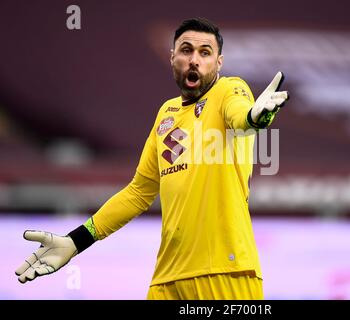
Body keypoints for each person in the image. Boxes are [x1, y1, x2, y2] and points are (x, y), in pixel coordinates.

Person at [15, 17, 289, 300]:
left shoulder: (229, 90)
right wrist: (76, 241)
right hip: (167, 279)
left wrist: (256, 117)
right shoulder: (166, 115)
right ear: (172, 58)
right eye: (186, 50)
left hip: (225, 274)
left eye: (205, 53)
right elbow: (138, 193)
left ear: (219, 62)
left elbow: (241, 116)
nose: (194, 59)